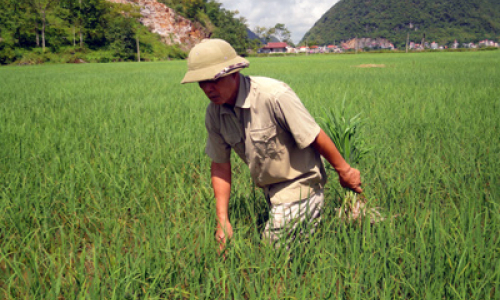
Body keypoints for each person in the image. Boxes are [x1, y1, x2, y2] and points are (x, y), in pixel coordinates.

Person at [181, 39, 362, 250]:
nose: (207, 88)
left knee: (272, 254)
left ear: (234, 72)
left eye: (214, 79)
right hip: (270, 191)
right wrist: (222, 221)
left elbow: (313, 135)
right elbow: (220, 164)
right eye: (201, 82)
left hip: (301, 185)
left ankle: (319, 213)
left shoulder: (274, 96)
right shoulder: (215, 113)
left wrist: (345, 170)